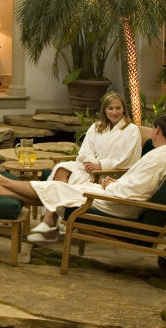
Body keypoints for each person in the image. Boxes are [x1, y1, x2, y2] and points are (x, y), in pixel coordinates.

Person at [0, 114, 166, 226]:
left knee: (57, 189)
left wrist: (111, 187)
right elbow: (139, 186)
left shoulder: (159, 159)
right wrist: (115, 183)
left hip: (118, 205)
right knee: (57, 191)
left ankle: (0, 181)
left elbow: (138, 190)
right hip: (117, 196)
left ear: (157, 131)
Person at [28, 92, 141, 240]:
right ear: (104, 111)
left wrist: (101, 165)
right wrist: (89, 162)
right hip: (89, 168)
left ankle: (52, 222)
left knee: (71, 177)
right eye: (110, 108)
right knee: (62, 168)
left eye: (118, 108)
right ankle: (50, 220)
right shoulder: (97, 127)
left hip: (111, 174)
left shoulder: (131, 130)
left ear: (124, 109)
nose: (114, 112)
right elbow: (86, 149)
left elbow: (129, 159)